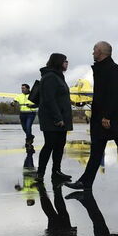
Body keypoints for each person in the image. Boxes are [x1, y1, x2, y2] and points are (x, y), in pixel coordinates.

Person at [65, 41, 118, 191]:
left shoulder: (113, 70)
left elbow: (116, 96)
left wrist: (107, 116)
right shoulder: (103, 69)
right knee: (97, 150)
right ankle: (85, 182)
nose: (92, 53)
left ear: (101, 52)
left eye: (94, 50)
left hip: (111, 118)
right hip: (101, 117)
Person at [35, 53, 74, 183]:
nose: (67, 63)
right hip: (52, 119)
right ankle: (40, 173)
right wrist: (58, 118)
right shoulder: (51, 77)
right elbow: (49, 99)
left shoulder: (58, 76)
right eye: (65, 61)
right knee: (49, 145)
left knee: (59, 146)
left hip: (60, 118)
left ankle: (56, 172)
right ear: (58, 62)